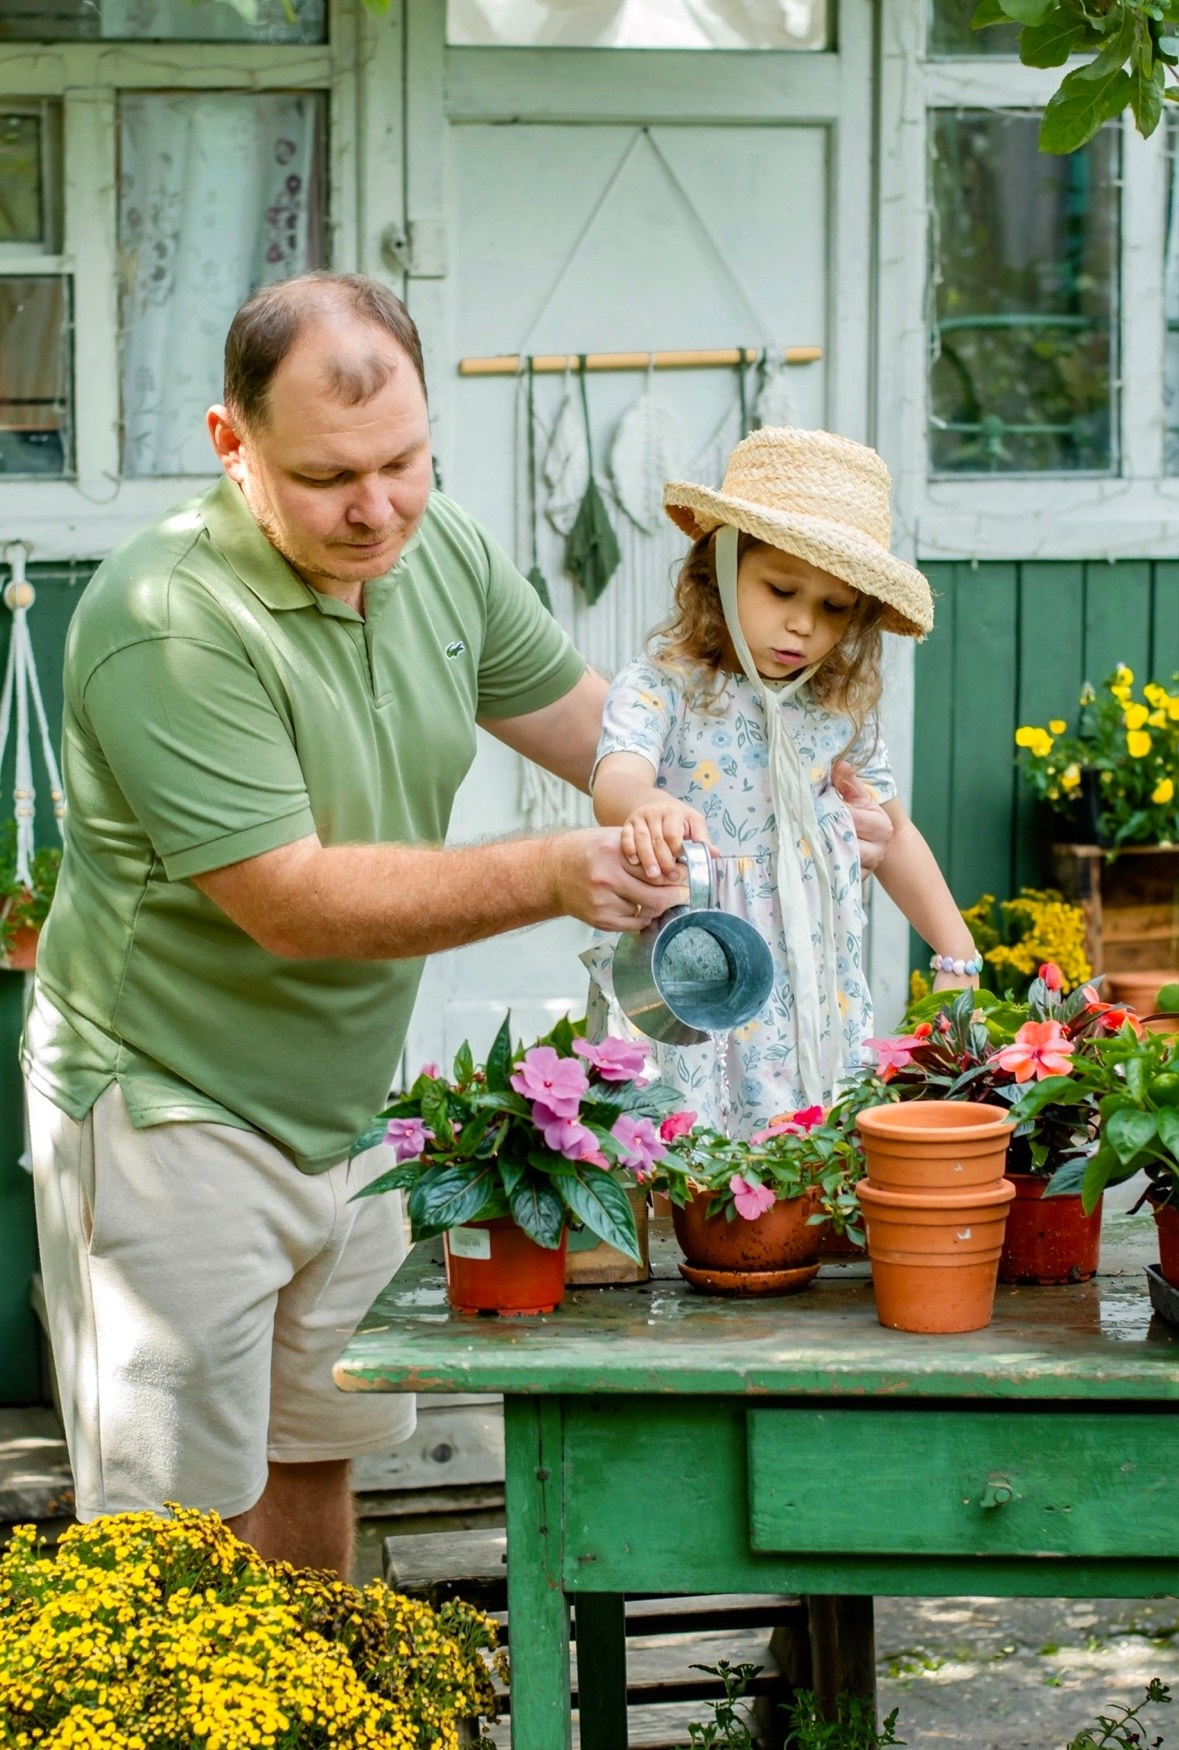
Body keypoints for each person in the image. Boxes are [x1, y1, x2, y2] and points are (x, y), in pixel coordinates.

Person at [22, 272, 701, 1577]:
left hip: (347, 1110)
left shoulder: (432, 548)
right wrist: (558, 868)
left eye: (404, 459)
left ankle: (324, 1717)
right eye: (332, 476)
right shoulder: (164, 620)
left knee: (314, 1451)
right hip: (168, 1103)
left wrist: (683, 794)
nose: (377, 506)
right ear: (234, 444)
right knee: (176, 1538)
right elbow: (292, 901)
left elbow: (594, 732)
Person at [588, 425, 980, 1136]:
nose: (801, 624)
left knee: (812, 1128)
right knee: (694, 1131)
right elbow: (616, 777)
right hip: (702, 958)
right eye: (779, 589)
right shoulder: (663, 688)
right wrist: (646, 805)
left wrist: (956, 954)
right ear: (719, 568)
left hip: (812, 975)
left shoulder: (834, 712)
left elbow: (895, 838)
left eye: (833, 607)